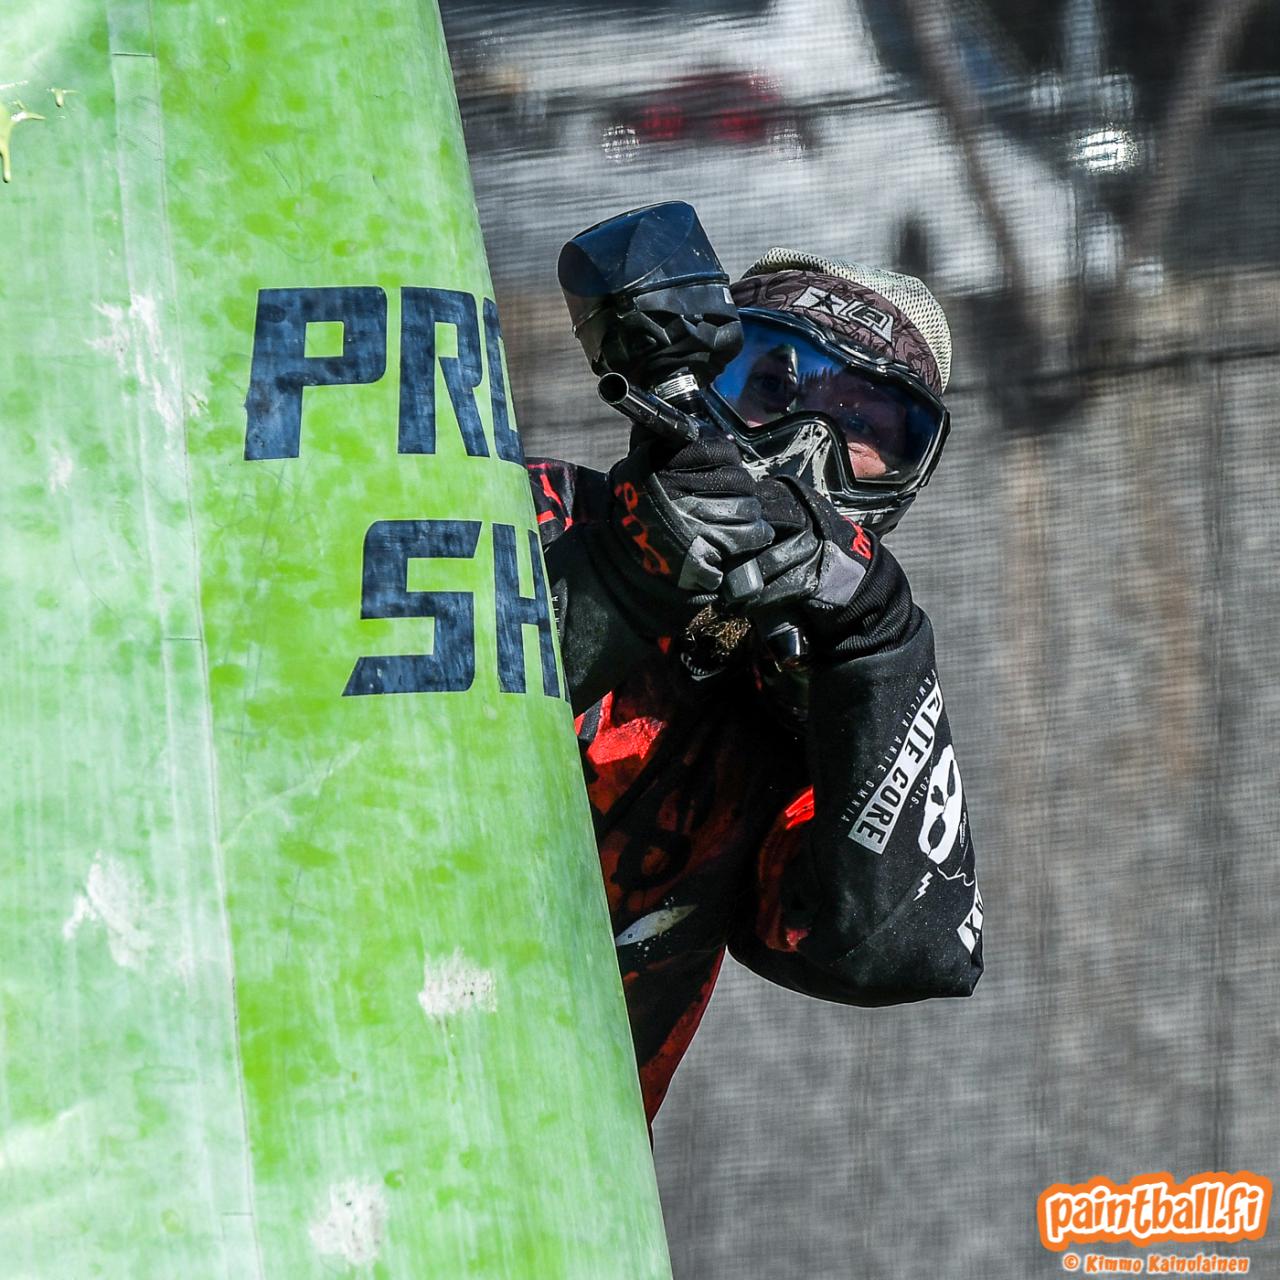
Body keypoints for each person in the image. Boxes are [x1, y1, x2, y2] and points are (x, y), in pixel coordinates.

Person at [527, 248, 983, 1127]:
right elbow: (374, 724)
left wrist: (882, 643)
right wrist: (626, 573)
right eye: (774, 386)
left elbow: (896, 949)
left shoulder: (814, 711)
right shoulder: (535, 516)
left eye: (865, 427)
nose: (808, 445)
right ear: (702, 379)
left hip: (558, 1173)